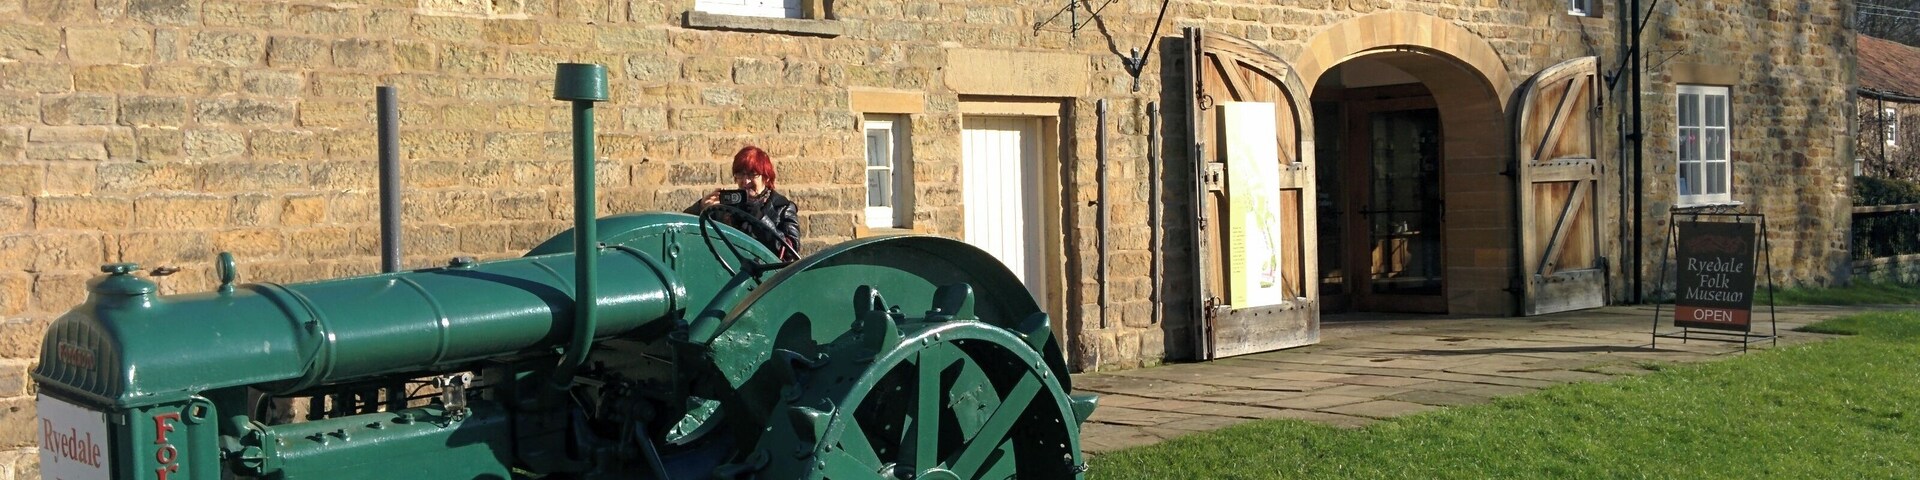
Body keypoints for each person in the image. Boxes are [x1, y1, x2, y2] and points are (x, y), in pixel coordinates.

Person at [686, 146, 802, 261]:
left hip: (769, 274)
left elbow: (790, 252)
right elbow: (686, 228)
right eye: (740, 174)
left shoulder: (783, 207)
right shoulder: (728, 206)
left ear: (766, 178)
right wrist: (701, 207)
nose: (746, 181)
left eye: (752, 174)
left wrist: (760, 219)